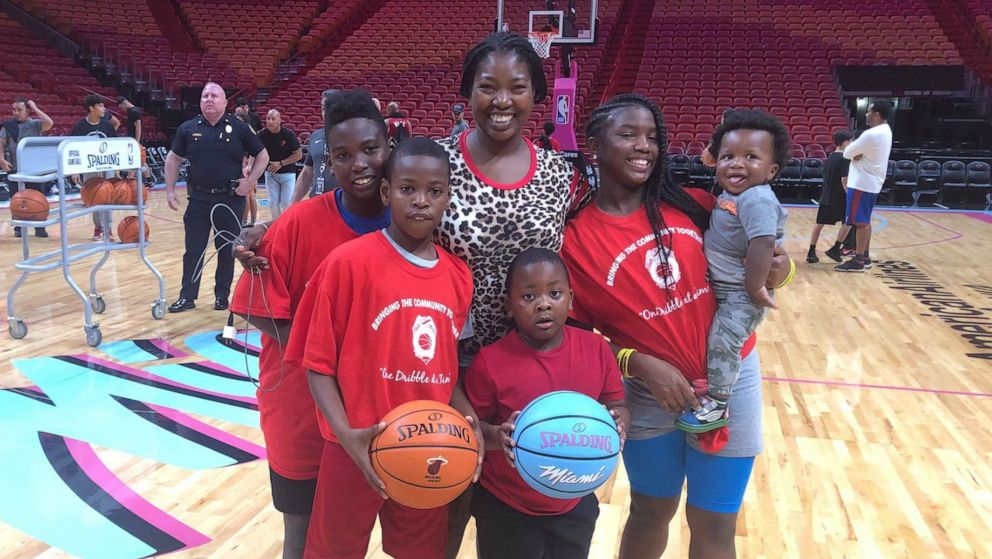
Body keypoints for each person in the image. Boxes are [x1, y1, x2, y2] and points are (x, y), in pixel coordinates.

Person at [561, 93, 790, 559]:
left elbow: (771, 269)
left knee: (713, 522)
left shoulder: (698, 205)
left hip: (731, 382)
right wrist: (638, 364)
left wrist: (780, 270)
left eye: (652, 137)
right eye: (628, 135)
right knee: (650, 508)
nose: (644, 146)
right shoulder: (574, 238)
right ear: (595, 145)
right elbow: (575, 341)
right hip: (646, 395)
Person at [284, 137, 479, 559]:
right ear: (387, 192)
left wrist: (467, 417)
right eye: (408, 189)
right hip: (353, 444)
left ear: (448, 196)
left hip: (429, 445)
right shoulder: (347, 263)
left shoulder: (460, 277)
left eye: (434, 191)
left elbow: (449, 371)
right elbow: (316, 365)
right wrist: (346, 436)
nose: (421, 201)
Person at [229, 90, 391, 559]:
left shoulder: (410, 225)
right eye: (343, 155)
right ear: (328, 162)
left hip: (379, 410)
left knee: (360, 536)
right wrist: (324, 356)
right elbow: (253, 305)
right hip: (299, 407)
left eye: (370, 150)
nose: (359, 164)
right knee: (300, 534)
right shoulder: (298, 223)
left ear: (389, 149)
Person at [464, 247, 628, 559]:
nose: (543, 304)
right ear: (509, 306)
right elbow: (473, 428)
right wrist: (498, 436)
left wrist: (618, 425)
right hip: (506, 504)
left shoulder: (596, 349)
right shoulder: (489, 362)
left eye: (554, 293)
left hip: (575, 498)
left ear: (571, 299)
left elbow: (617, 405)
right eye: (528, 297)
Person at [675, 110, 789, 434]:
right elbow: (715, 159)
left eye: (750, 157)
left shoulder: (756, 199)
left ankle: (718, 403)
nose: (737, 163)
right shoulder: (734, 192)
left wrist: (755, 288)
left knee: (722, 342)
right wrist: (717, 151)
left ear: (772, 170)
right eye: (729, 156)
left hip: (742, 294)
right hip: (725, 289)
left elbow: (764, 244)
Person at [165, 82, 268, 313]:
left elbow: (262, 154)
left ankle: (222, 296)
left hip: (230, 198)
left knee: (227, 250)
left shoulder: (239, 127)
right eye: (205, 96)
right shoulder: (188, 128)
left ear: (224, 102)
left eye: (214, 96)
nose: (209, 99)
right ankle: (187, 296)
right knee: (193, 250)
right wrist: (170, 190)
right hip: (199, 199)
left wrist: (250, 182)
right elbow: (173, 158)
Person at [834, 99, 893, 272]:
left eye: (869, 111)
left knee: (859, 222)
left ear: (876, 114)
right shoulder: (886, 130)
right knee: (864, 220)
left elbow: (847, 152)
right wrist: (857, 153)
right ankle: (865, 256)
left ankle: (858, 260)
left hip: (862, 182)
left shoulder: (871, 134)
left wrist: (856, 153)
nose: (866, 114)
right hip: (872, 181)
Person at [71, 94, 121, 241]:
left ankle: (108, 229)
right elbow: (74, 148)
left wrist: (116, 169)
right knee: (94, 198)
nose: (103, 109)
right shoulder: (80, 126)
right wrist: (75, 170)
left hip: (107, 165)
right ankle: (98, 228)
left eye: (103, 105)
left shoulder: (107, 126)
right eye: (100, 106)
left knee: (108, 197)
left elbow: (114, 147)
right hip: (89, 167)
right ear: (91, 108)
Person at [2, 98, 54, 238]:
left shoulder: (36, 124)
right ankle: (19, 227)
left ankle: (40, 227)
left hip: (35, 168)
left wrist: (35, 108)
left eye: (20, 110)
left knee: (38, 197)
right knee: (16, 198)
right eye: (14, 110)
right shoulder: (7, 125)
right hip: (15, 167)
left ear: (27, 110)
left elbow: (49, 123)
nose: (16, 113)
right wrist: (1, 159)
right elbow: (1, 143)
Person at [808, 130, 853, 263]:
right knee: (849, 222)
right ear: (845, 142)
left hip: (826, 195)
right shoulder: (845, 158)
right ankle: (835, 248)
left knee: (819, 224)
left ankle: (811, 251)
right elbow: (844, 180)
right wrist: (850, 196)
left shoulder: (830, 157)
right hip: (840, 197)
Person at [292, 90, 341, 203]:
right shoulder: (315, 136)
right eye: (324, 108)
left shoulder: (352, 136)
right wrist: (292, 204)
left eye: (330, 108)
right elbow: (307, 173)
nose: (326, 113)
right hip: (317, 202)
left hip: (343, 206)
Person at [258, 109, 302, 219]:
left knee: (286, 204)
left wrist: (281, 163)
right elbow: (256, 153)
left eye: (273, 119)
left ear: (279, 121)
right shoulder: (262, 135)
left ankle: (288, 226)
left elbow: (298, 155)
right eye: (268, 119)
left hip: (288, 174)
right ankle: (276, 227)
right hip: (271, 174)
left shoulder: (288, 134)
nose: (270, 121)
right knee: (273, 204)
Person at [116, 96, 152, 182]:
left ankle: (130, 179)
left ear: (124, 103)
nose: (122, 110)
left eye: (122, 108)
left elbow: (138, 127)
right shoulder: (132, 111)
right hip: (134, 139)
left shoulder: (134, 112)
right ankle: (149, 179)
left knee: (132, 159)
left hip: (135, 141)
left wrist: (136, 142)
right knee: (141, 161)